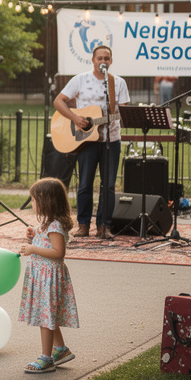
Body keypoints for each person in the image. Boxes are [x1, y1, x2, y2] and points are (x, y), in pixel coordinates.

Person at [53, 45, 129, 238]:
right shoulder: (80, 79)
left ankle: (104, 226)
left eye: (106, 58)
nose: (103, 61)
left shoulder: (118, 83)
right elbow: (58, 101)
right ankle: (83, 225)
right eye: (100, 58)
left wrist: (120, 117)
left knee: (108, 185)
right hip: (86, 140)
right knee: (85, 183)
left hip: (112, 140)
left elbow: (124, 112)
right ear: (93, 60)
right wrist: (75, 118)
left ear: (111, 61)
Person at [19, 177, 79, 373]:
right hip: (42, 277)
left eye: (34, 200)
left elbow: (58, 253)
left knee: (45, 318)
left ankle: (46, 359)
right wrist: (33, 235)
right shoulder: (47, 223)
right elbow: (43, 240)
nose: (32, 203)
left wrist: (33, 249)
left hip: (48, 279)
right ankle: (60, 350)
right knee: (48, 315)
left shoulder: (55, 226)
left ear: (47, 202)